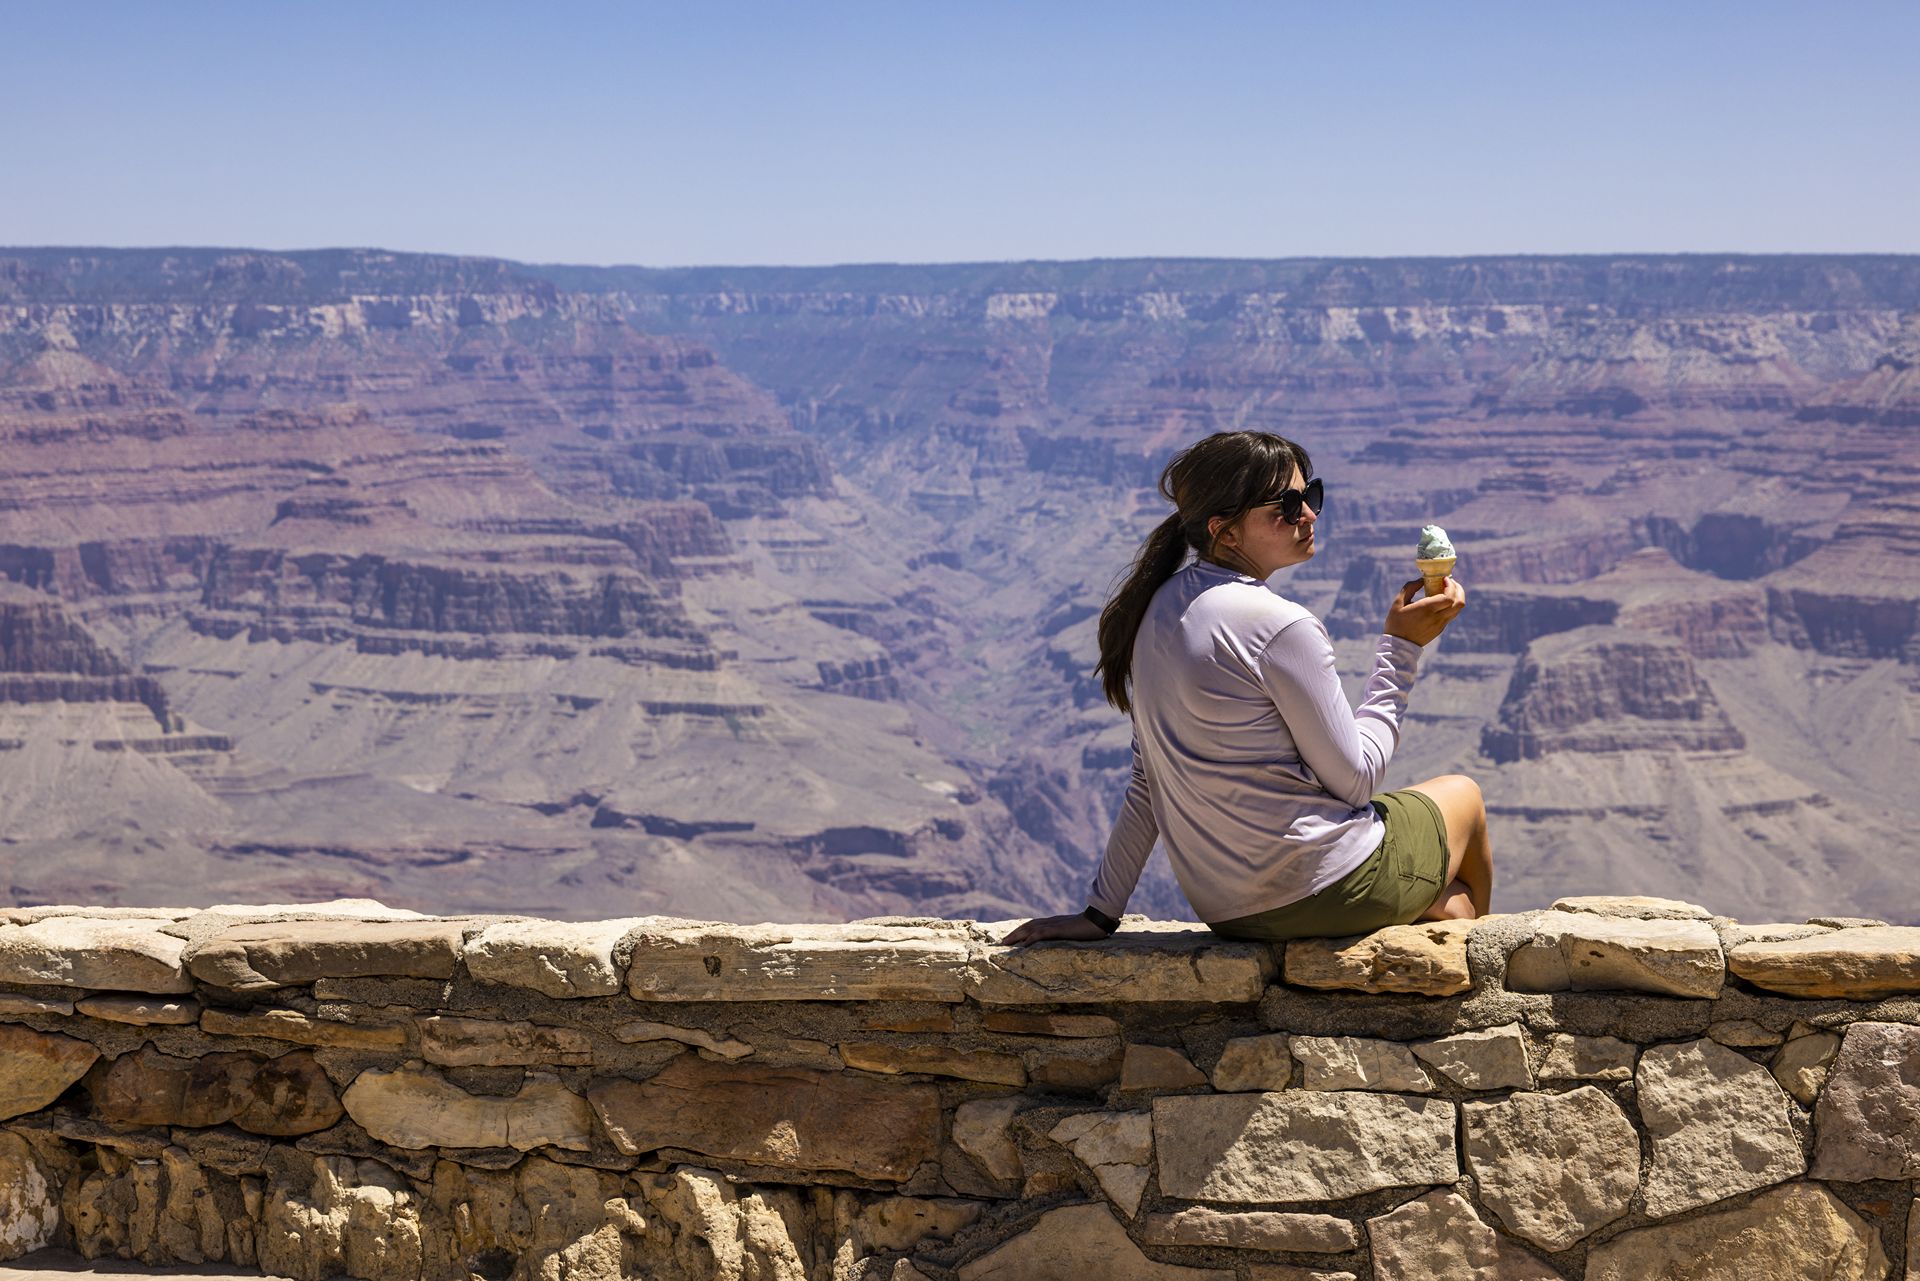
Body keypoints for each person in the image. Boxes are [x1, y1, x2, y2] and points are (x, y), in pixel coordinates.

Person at [1003, 430, 1490, 945]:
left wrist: (1100, 913)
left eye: (1311, 496)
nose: (1309, 515)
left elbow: (1149, 780)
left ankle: (1442, 910)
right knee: (1465, 795)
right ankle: (1477, 972)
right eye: (1287, 505)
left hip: (1230, 910)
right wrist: (1401, 649)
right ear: (1226, 531)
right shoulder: (1279, 625)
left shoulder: (1158, 607)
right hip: (1326, 886)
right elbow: (1356, 782)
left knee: (1450, 899)